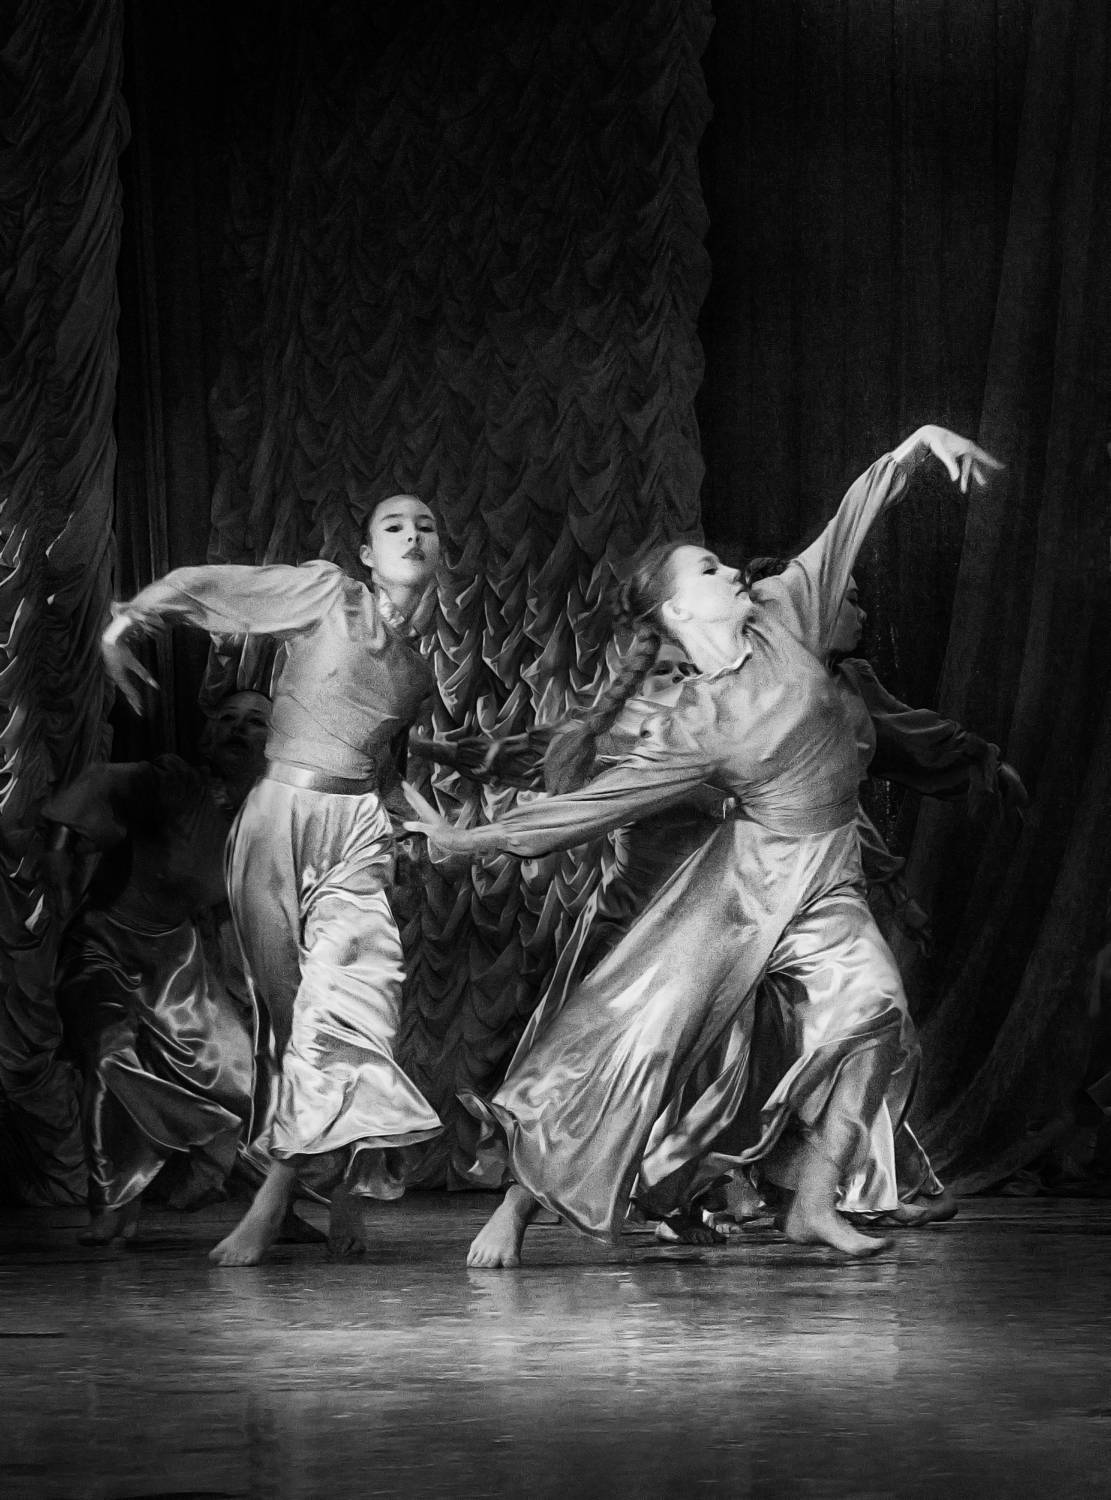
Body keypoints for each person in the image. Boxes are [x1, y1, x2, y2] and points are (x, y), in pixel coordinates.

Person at [404, 425, 1003, 1265]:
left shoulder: (789, 614)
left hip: (826, 880)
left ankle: (813, 1203)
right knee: (636, 1042)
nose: (731, 573)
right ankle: (517, 1206)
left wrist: (912, 449)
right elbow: (595, 805)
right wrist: (466, 839)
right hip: (737, 894)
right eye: (710, 570)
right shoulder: (689, 722)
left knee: (878, 1016)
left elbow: (847, 521)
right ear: (678, 612)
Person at [100, 495, 444, 1265]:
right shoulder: (331, 595)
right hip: (278, 819)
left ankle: (278, 1196)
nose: (412, 535)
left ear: (439, 552)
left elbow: (387, 771)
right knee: (290, 1024)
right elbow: (215, 585)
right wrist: (126, 623)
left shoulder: (417, 670)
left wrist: (439, 824)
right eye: (394, 526)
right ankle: (335, 1183)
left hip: (356, 832)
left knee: (350, 1008)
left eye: (425, 526)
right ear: (367, 553)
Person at [41, 690, 272, 1245]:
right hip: (103, 948)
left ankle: (270, 1205)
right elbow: (103, 783)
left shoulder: (266, 818)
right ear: (207, 734)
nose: (239, 729)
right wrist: (59, 850)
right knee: (110, 1057)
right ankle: (114, 1205)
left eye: (255, 723)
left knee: (246, 1082)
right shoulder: (173, 782)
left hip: (178, 963)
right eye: (228, 719)